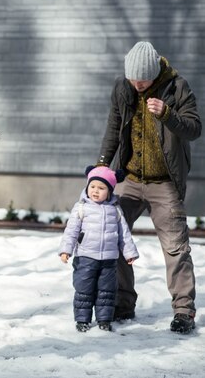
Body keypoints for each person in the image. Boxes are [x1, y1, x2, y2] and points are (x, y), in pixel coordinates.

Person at [98, 41, 202, 334]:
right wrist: (102, 167)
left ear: (154, 74)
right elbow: (113, 129)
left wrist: (167, 114)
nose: (137, 84)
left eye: (141, 80)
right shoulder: (123, 88)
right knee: (112, 235)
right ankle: (123, 303)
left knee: (175, 248)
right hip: (129, 180)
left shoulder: (177, 88)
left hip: (164, 182)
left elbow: (194, 128)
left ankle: (184, 310)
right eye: (132, 79)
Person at [59, 166, 139, 332]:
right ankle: (82, 320)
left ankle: (104, 319)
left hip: (109, 260)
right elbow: (71, 231)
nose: (95, 191)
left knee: (107, 291)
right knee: (84, 289)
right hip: (85, 257)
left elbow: (123, 233)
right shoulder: (81, 207)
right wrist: (66, 250)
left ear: (109, 191)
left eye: (101, 188)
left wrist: (129, 253)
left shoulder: (115, 210)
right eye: (92, 186)